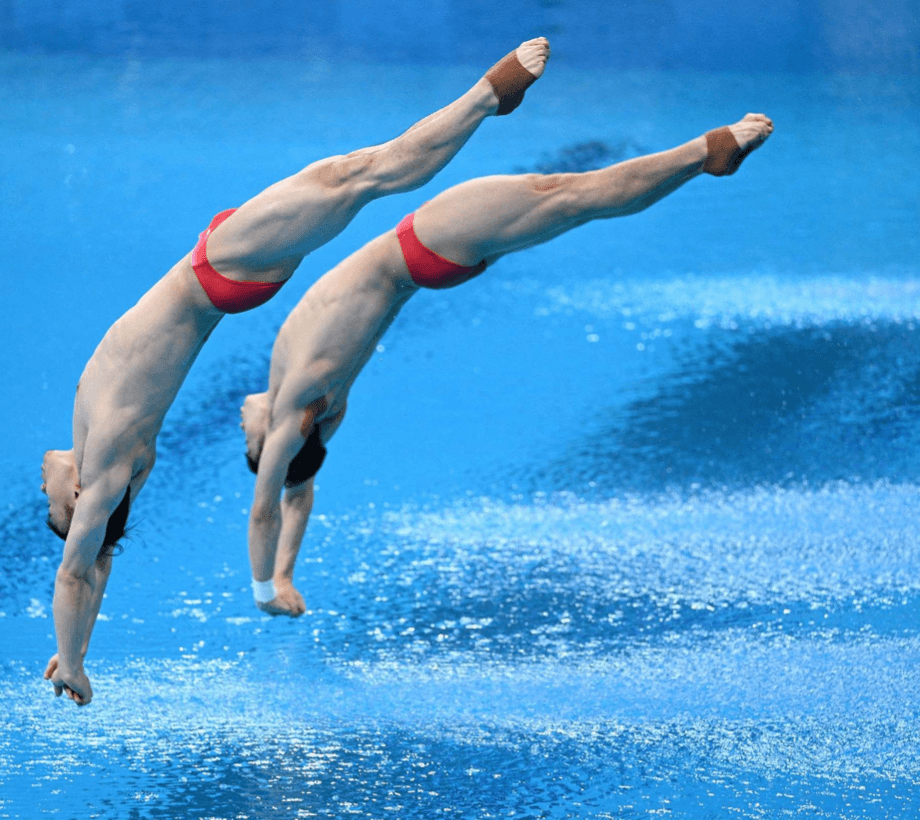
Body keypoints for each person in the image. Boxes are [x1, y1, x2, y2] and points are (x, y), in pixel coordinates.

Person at [39, 37, 552, 704]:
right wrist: (73, 663)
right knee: (361, 174)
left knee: (357, 176)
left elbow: (96, 564)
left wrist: (71, 648)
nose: (42, 486)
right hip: (215, 271)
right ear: (78, 503)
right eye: (49, 507)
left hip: (218, 272)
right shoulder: (106, 461)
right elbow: (79, 570)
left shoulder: (99, 454)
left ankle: (488, 100)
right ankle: (488, 96)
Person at [241, 113, 774, 617]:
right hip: (423, 244)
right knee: (572, 194)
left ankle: (703, 157)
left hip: (426, 259)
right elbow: (270, 506)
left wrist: (286, 575)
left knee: (575, 200)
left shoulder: (302, 408)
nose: (241, 427)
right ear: (269, 443)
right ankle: (704, 151)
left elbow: (297, 496)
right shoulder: (300, 407)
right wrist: (266, 589)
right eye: (247, 444)